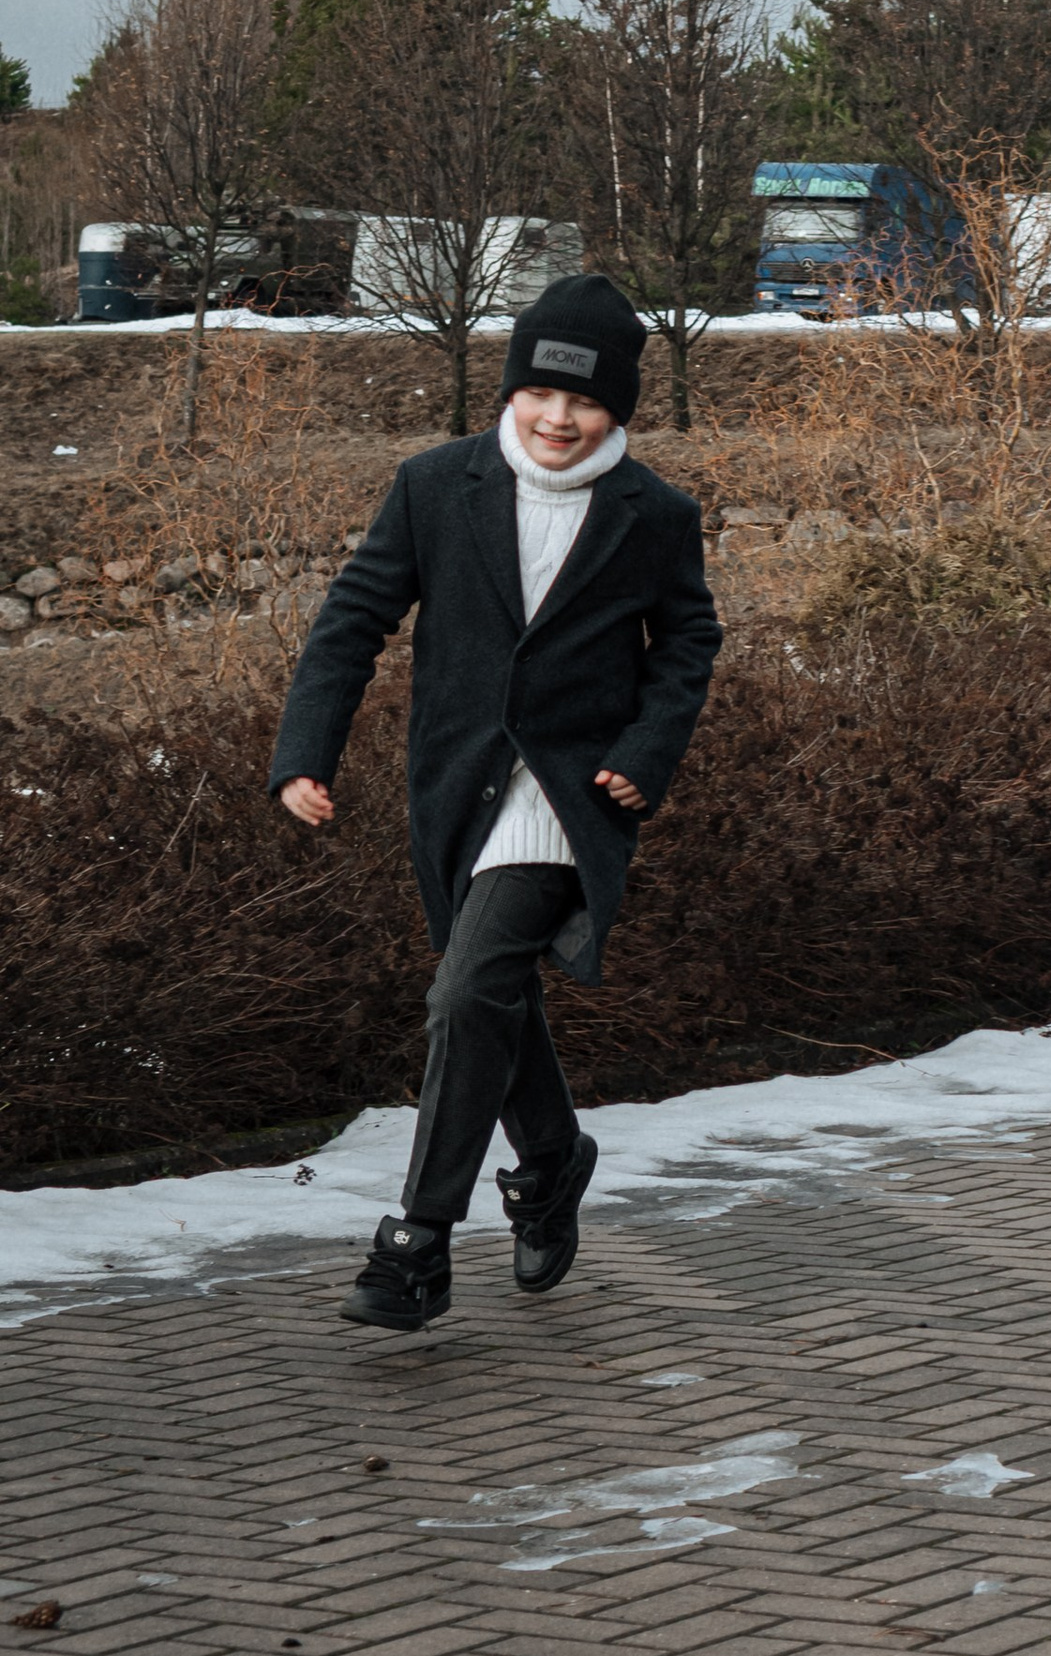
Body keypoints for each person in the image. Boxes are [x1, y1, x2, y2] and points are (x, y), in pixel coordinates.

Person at [270, 274, 721, 1332]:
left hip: (567, 793)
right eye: (541, 395)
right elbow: (352, 622)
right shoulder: (436, 486)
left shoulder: (655, 515)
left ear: (620, 410)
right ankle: (554, 1159)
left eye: (587, 403)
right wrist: (306, 753)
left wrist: (646, 751)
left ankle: (417, 1244)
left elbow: (688, 643)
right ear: (512, 388)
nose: (560, 419)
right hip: (457, 786)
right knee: (491, 997)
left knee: (465, 994)